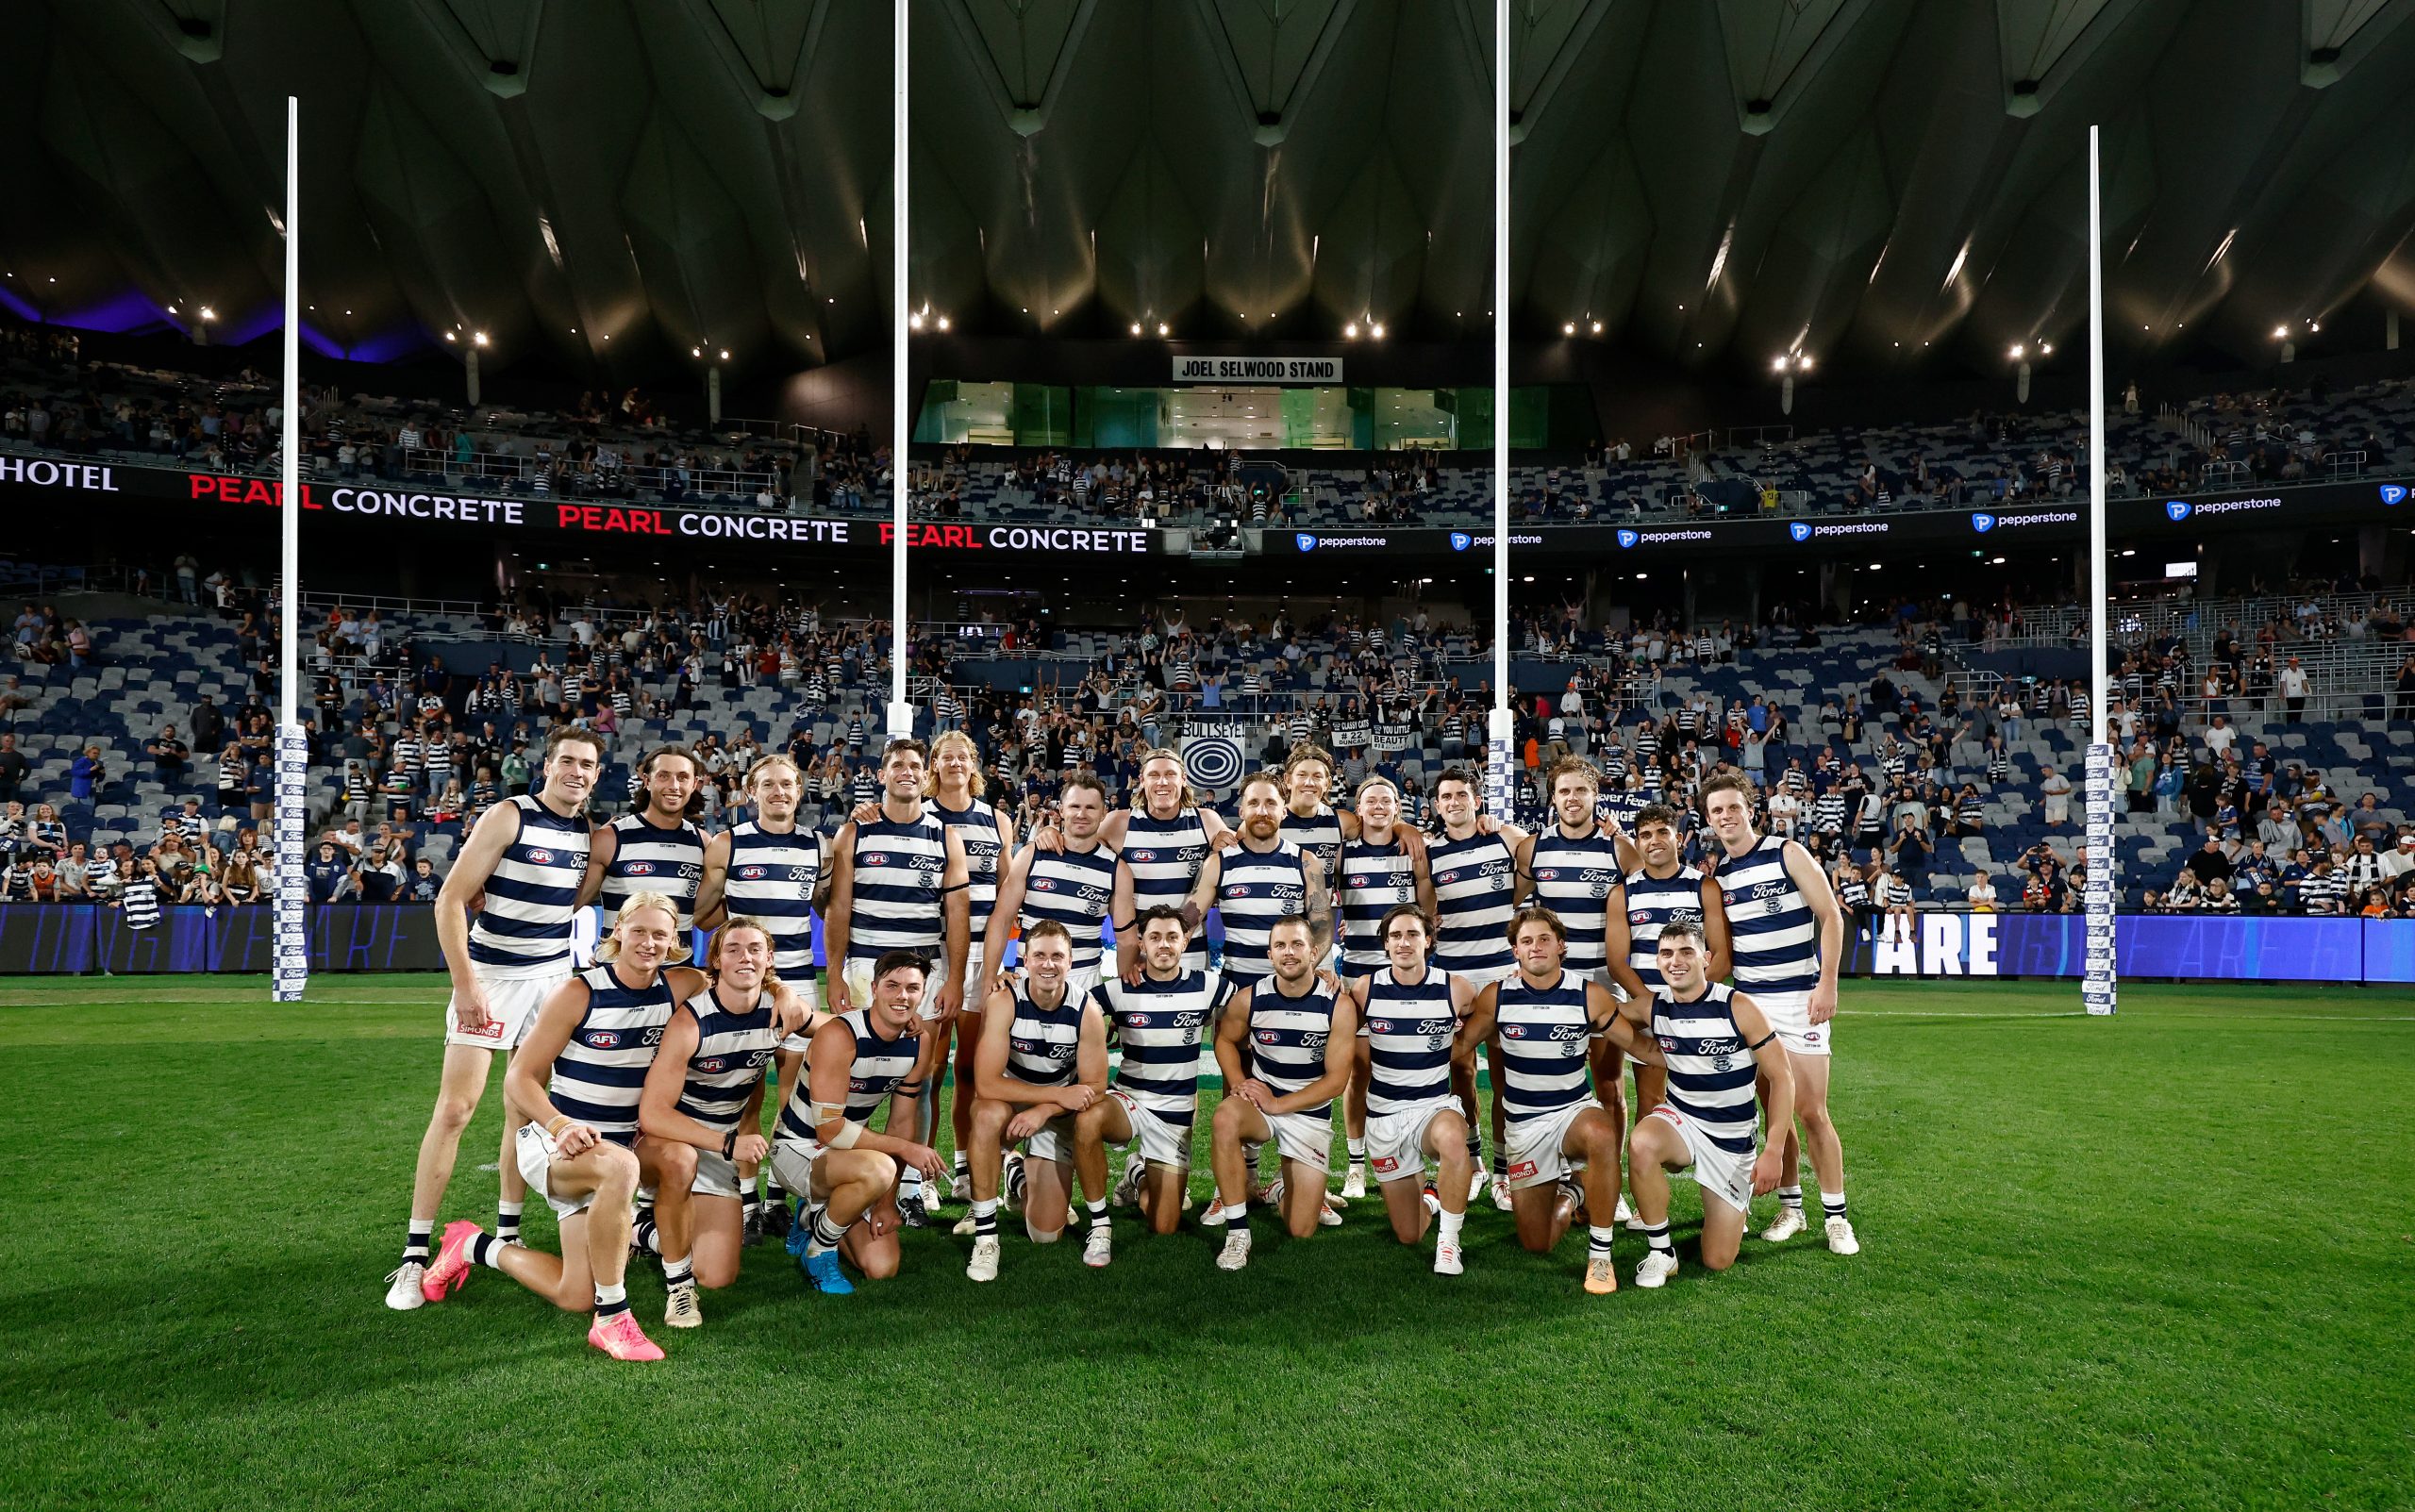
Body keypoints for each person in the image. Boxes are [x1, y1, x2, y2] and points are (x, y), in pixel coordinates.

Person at [415, 893, 695, 1361]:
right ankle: (613, 1319)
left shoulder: (681, 985)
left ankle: (473, 1245)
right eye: (640, 931)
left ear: (674, 942)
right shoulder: (578, 992)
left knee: (574, 1294)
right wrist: (559, 1124)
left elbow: (743, 984)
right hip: (556, 1146)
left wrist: (785, 995)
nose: (649, 943)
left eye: (660, 935)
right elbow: (519, 1077)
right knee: (622, 1168)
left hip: (613, 1152)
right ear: (618, 931)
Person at [385, 727, 601, 1312]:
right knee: (456, 1109)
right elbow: (450, 898)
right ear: (547, 765)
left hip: (553, 981)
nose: (577, 772)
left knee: (523, 1107)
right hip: (492, 979)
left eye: (588, 764)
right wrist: (466, 985)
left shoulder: (591, 833)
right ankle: (413, 1254)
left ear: (597, 774)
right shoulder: (509, 816)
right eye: (568, 762)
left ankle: (506, 1231)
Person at [1457, 906, 1663, 1295]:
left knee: (1602, 1132)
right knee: (1538, 1242)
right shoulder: (1496, 996)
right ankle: (1574, 1190)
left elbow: (1641, 1047)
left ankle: (1600, 1256)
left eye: (1544, 939)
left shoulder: (1589, 995)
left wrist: (1699, 1048)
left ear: (1561, 946)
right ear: (1515, 951)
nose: (1536, 948)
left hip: (1571, 1113)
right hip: (1524, 1127)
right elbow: (1460, 1046)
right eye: (1527, 941)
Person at [1700, 768, 1858, 1255]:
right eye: (1716, 811)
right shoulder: (1720, 877)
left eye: (1733, 808)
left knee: (1812, 1112)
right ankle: (1792, 1208)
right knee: (1776, 1116)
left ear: (1751, 810)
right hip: (1750, 1004)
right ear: (1708, 819)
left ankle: (1837, 1216)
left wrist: (1827, 983)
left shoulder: (1788, 852)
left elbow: (1830, 915)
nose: (1725, 817)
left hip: (1798, 1000)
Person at [823, 738, 971, 1228]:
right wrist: (837, 974)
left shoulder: (945, 835)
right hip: (866, 970)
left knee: (920, 1076)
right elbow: (839, 908)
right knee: (854, 1075)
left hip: (924, 974)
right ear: (881, 774)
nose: (906, 772)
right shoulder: (854, 833)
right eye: (896, 765)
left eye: (913, 765)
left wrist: (951, 980)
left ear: (923, 773)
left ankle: (906, 1188)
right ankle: (845, 1175)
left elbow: (956, 912)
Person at [633, 919, 810, 1326]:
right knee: (679, 1162)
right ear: (715, 959)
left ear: (769, 959)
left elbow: (841, 1032)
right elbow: (654, 1114)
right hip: (667, 1140)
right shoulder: (690, 1022)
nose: (744, 956)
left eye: (754, 948)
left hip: (715, 1149)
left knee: (718, 1275)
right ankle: (675, 1281)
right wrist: (729, 1145)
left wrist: (899, 1028)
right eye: (732, 949)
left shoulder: (778, 1010)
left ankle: (642, 1230)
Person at [693, 753, 829, 1243]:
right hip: (743, 985)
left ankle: (776, 1196)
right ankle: (748, 1201)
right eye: (768, 785)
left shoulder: (819, 847)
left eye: (787, 785)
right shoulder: (729, 844)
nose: (778, 793)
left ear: (799, 791)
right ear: (752, 792)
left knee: (794, 1098)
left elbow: (827, 907)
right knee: (744, 1093)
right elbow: (703, 914)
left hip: (796, 984)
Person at [1626, 919, 1794, 1288]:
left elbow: (1782, 1077)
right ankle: (1660, 1252)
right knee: (1641, 1143)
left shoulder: (1738, 1006)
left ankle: (1733, 1205)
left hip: (1731, 1135)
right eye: (1666, 954)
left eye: (1686, 951)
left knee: (1717, 1259)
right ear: (1657, 962)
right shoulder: (1652, 1006)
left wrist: (1774, 1151)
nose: (1676, 961)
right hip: (1682, 1118)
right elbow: (1602, 1016)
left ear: (1706, 958)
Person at [768, 951, 942, 1294]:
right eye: (892, 986)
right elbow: (829, 1129)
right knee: (878, 1168)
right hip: (797, 1150)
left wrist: (886, 1202)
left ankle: (813, 1217)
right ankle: (820, 1250)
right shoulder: (840, 1034)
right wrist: (907, 1150)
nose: (902, 996)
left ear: (923, 994)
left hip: (850, 1157)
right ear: (874, 988)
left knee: (882, 1267)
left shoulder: (919, 1042)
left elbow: (901, 1124)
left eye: (912, 988)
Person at [1072, 907, 1234, 1267]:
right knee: (1087, 1119)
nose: (1164, 945)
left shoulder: (1209, 985)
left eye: (1173, 937)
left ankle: (1137, 1171)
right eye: (1155, 937)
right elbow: (1069, 1009)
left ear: (1185, 941)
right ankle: (1100, 1225)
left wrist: (1321, 978)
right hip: (1128, 1100)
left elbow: (1259, 999)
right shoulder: (1118, 988)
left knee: (1164, 1224)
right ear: (1141, 943)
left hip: (1174, 1115)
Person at [1502, 756, 1626, 1210]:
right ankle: (1567, 1176)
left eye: (1581, 791)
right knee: (1555, 1077)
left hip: (1603, 979)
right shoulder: (1534, 850)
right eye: (1564, 792)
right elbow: (1514, 904)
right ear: (1552, 799)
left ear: (1595, 796)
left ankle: (1609, 1184)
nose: (1573, 799)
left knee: (1608, 1083)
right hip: (1553, 982)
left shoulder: (1619, 848)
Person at [963, 921, 1108, 1282]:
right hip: (1012, 1102)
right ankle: (985, 1236)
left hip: (1056, 1113)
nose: (1048, 964)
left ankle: (1017, 1178)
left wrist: (1047, 1108)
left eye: (1057, 956)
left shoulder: (1087, 1009)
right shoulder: (1004, 1000)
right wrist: (1054, 1095)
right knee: (984, 1115)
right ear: (1024, 960)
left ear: (1071, 962)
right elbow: (985, 1084)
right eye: (1039, 955)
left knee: (1045, 1234)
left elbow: (1096, 1085)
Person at [1208, 915, 1356, 1270]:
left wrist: (1279, 1103)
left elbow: (1336, 1082)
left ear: (1315, 952)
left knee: (1300, 1229)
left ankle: (1278, 1190)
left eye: (1297, 945)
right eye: (1280, 946)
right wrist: (1238, 1081)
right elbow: (1226, 1040)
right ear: (1269, 954)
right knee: (1225, 1116)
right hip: (1260, 1106)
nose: (1288, 953)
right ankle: (1237, 1232)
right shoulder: (1250, 998)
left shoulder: (1339, 1004)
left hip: (1308, 1113)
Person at [1345, 904, 1482, 1273]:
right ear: (1385, 945)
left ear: (1428, 941)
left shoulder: (1456, 988)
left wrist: (1453, 1044)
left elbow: (1480, 1019)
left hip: (1432, 1108)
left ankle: (1450, 1243)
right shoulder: (1365, 989)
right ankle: (1434, 1196)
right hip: (1384, 1117)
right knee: (1408, 1233)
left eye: (1412, 935)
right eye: (1395, 936)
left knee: (1454, 1137)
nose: (1404, 943)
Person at [1424, 765, 1526, 1202]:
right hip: (1454, 975)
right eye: (1445, 796)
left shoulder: (1504, 839)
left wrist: (1507, 825)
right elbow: (1427, 913)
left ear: (1476, 799)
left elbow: (1539, 851)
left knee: (1506, 1076)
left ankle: (1503, 1169)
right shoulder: (1429, 854)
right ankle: (1475, 1161)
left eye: (1461, 795)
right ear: (1436, 805)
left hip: (1503, 972)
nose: (1453, 803)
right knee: (1461, 1072)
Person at [1329, 774, 1432, 1200]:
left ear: (1397, 808)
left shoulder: (1411, 847)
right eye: (1369, 800)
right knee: (1358, 1071)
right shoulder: (1341, 851)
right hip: (1356, 973)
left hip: (1406, 975)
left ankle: (1412, 1156)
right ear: (1358, 807)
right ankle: (1356, 1164)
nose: (1377, 806)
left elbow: (1425, 891)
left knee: (1411, 1068)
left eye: (1385, 800)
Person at [1602, 801, 1727, 1134]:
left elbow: (1721, 956)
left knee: (1713, 1100)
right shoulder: (1622, 894)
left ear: (1679, 840)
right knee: (1651, 1101)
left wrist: (1691, 1003)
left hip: (1701, 1013)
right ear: (1637, 843)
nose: (1654, 840)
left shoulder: (1705, 886)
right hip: (1649, 1011)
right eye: (1645, 835)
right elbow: (1617, 963)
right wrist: (1654, 1006)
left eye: (1662, 832)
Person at [1185, 771, 1330, 989]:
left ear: (1284, 811)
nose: (1262, 811)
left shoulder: (1306, 862)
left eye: (1271, 803)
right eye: (1254, 803)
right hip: (1236, 985)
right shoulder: (1218, 863)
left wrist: (1306, 969)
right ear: (1242, 811)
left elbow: (1322, 926)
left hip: (1291, 985)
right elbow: (1186, 923)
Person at [984, 772, 1119, 1004]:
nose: (1081, 814)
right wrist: (990, 976)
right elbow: (1002, 918)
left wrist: (1124, 998)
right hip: (1028, 976)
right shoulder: (1030, 855)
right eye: (1074, 806)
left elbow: (1126, 939)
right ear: (1061, 811)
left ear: (1104, 812)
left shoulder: (1116, 868)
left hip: (1085, 981)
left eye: (1091, 807)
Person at [585, 745, 708, 934]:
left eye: (682, 777)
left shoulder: (704, 843)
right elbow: (569, 906)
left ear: (694, 784)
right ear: (647, 781)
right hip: (618, 963)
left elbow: (707, 917)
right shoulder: (609, 839)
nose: (673, 785)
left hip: (679, 963)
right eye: (663, 776)